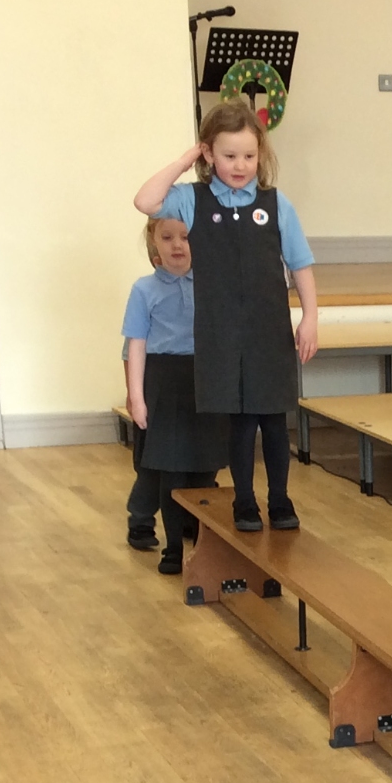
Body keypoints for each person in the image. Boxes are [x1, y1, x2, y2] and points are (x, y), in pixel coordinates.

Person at [133, 102, 317, 532]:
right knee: (239, 423)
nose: (240, 165)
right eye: (229, 155)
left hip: (268, 332)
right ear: (209, 154)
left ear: (260, 154)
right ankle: (244, 501)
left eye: (249, 156)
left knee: (274, 421)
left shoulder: (275, 204)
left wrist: (309, 317)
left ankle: (280, 499)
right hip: (221, 335)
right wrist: (185, 160)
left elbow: (301, 265)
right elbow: (146, 200)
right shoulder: (192, 200)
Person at [122, 215, 223, 570]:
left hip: (203, 379)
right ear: (155, 244)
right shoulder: (144, 290)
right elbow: (133, 347)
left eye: (186, 237)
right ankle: (147, 523)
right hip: (163, 382)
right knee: (162, 465)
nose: (178, 245)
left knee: (203, 460)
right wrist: (135, 396)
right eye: (168, 238)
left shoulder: (211, 285)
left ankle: (197, 522)